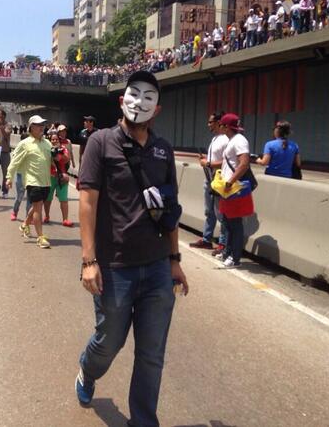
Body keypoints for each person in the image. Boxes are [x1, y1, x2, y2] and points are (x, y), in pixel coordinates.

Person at [75, 70, 189, 426]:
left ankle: (142, 421)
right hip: (114, 268)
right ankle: (87, 370)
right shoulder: (100, 142)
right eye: (134, 95)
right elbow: (87, 202)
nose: (140, 103)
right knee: (110, 343)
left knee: (151, 355)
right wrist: (89, 260)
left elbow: (169, 208)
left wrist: (174, 260)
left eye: (148, 98)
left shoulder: (163, 150)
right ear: (122, 100)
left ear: (157, 110)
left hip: (156, 268)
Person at [5, 115, 52, 249]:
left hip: (46, 181)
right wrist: (9, 177)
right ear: (31, 127)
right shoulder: (24, 144)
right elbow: (15, 162)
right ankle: (40, 237)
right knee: (38, 209)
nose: (41, 127)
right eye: (38, 125)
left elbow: (53, 160)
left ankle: (25, 224)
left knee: (37, 206)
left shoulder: (47, 143)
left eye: (42, 125)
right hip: (32, 181)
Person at [190, 112, 229, 256]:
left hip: (219, 180)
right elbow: (215, 158)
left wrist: (208, 163)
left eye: (210, 122)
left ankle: (223, 243)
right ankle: (207, 239)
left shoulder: (225, 140)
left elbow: (227, 161)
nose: (208, 125)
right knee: (209, 211)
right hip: (209, 178)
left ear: (218, 122)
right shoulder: (215, 139)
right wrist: (206, 159)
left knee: (221, 213)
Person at [218, 113, 252, 268]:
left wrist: (230, 181)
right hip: (227, 188)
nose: (220, 127)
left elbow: (244, 163)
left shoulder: (239, 140)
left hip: (234, 188)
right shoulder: (232, 140)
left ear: (226, 127)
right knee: (227, 222)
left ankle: (235, 257)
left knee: (235, 223)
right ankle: (228, 252)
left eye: (221, 125)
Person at [43, 133, 73, 227]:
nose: (54, 141)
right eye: (52, 139)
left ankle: (65, 219)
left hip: (61, 177)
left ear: (59, 141)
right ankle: (47, 216)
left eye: (56, 139)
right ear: (50, 140)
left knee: (63, 199)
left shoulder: (63, 149)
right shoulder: (46, 149)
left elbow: (67, 159)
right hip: (49, 177)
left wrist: (58, 155)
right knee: (47, 199)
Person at [0, 108, 12, 199]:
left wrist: (1, 127)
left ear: (4, 116)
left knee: (5, 174)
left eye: (0, 115)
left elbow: (7, 135)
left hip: (5, 152)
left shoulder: (8, 125)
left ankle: (5, 191)